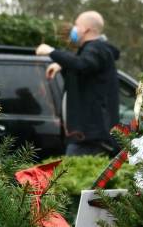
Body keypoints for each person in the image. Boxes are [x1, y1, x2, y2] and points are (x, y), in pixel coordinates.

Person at [36, 11, 121, 156]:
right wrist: (62, 65)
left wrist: (51, 51)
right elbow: (83, 66)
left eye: (76, 25)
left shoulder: (96, 49)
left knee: (70, 176)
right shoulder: (95, 51)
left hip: (89, 138)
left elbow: (82, 64)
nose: (73, 29)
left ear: (86, 29)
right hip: (85, 135)